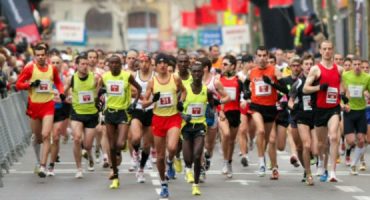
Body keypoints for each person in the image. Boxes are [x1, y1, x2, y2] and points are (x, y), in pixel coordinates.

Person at [16, 44, 64, 178]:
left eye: (43, 55)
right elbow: (18, 84)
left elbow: (59, 83)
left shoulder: (52, 69)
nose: (41, 57)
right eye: (38, 55)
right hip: (34, 107)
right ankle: (39, 156)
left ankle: (43, 166)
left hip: (48, 105)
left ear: (46, 55)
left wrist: (60, 93)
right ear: (34, 56)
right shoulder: (30, 68)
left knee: (46, 134)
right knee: (38, 138)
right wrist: (30, 84)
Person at [142, 53, 186, 198]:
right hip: (158, 119)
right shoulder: (152, 82)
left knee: (172, 147)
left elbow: (184, 91)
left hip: (173, 118)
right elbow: (144, 103)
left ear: (167, 65)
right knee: (159, 157)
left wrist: (180, 102)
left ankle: (171, 161)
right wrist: (152, 100)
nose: (162, 65)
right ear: (156, 65)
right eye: (159, 63)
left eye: (164, 63)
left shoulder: (175, 78)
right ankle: (163, 184)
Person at [244, 46, 288, 178]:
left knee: (267, 139)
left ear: (268, 57)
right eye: (260, 55)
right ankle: (261, 162)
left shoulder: (274, 70)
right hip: (256, 106)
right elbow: (245, 84)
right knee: (261, 131)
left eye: (264, 55)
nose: (262, 58)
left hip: (270, 108)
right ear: (256, 57)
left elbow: (285, 89)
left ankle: (266, 160)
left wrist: (272, 84)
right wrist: (246, 92)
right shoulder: (252, 72)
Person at [99, 55, 141, 188]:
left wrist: (134, 103)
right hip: (110, 112)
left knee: (120, 143)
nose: (114, 65)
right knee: (111, 146)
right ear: (108, 65)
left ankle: (118, 152)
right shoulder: (104, 77)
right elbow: (98, 92)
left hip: (123, 112)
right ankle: (115, 175)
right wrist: (98, 101)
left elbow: (139, 89)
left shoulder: (127, 76)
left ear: (121, 64)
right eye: (111, 63)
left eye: (117, 63)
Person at [303, 40, 342, 182]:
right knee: (321, 143)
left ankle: (332, 171)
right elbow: (305, 88)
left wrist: (345, 98)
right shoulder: (315, 69)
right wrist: (319, 88)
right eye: (324, 49)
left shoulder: (339, 69)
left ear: (333, 50)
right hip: (320, 109)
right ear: (320, 51)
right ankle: (320, 160)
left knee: (333, 137)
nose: (327, 51)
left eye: (330, 49)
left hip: (334, 108)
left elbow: (342, 87)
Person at [63, 54, 100, 178]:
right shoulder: (71, 79)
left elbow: (99, 93)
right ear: (77, 65)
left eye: (87, 64)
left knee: (88, 145)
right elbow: (64, 90)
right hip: (77, 113)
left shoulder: (95, 78)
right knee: (77, 139)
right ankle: (79, 168)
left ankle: (90, 156)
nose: (85, 66)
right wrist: (66, 97)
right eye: (82, 64)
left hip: (91, 113)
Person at [181, 62, 211, 195]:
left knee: (197, 155)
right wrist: (183, 115)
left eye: (199, 71)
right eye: (194, 72)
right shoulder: (184, 89)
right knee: (188, 158)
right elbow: (176, 107)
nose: (197, 74)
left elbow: (212, 104)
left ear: (203, 73)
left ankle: (196, 184)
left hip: (200, 126)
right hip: (186, 127)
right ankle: (187, 169)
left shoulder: (206, 90)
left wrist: (212, 111)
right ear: (191, 73)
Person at [288, 54, 317, 185]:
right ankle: (308, 172)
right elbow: (290, 100)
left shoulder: (318, 80)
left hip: (316, 117)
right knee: (304, 145)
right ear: (302, 66)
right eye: (306, 64)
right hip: (301, 117)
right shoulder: (298, 83)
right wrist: (292, 106)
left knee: (315, 149)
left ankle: (311, 164)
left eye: (311, 64)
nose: (308, 67)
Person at [199, 57, 229, 171]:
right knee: (199, 141)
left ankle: (208, 157)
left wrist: (219, 102)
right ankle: (201, 169)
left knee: (209, 145)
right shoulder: (194, 81)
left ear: (206, 68)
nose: (196, 69)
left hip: (211, 113)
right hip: (198, 113)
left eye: (199, 66)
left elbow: (227, 97)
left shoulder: (215, 82)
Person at [342, 57, 370, 175]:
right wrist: (342, 104)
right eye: (355, 64)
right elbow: (340, 92)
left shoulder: (367, 77)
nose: (357, 66)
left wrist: (367, 94)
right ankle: (346, 146)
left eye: (359, 64)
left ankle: (354, 164)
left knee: (362, 140)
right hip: (349, 111)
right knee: (351, 140)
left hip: (361, 111)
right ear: (352, 65)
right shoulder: (345, 75)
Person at [129, 53, 155, 183]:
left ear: (150, 63)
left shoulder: (155, 76)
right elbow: (132, 91)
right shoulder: (134, 76)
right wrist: (144, 97)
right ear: (138, 63)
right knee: (136, 138)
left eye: (146, 62)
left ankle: (141, 169)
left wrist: (148, 98)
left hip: (151, 111)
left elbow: (158, 92)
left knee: (146, 145)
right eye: (141, 62)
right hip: (137, 110)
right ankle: (135, 152)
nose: (144, 64)